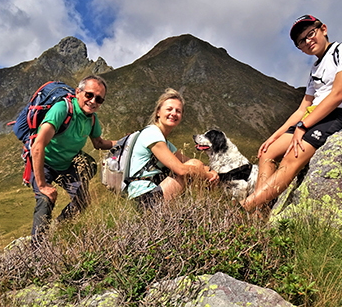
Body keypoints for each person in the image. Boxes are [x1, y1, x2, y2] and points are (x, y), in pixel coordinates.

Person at [240, 15, 342, 213]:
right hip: (313, 116)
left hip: (340, 114)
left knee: (291, 157)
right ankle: (261, 211)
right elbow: (302, 108)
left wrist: (303, 127)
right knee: (267, 153)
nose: (307, 41)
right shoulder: (315, 68)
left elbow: (338, 95)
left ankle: (245, 208)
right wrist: (274, 136)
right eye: (301, 41)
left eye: (310, 34)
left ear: (323, 29)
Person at [30, 75, 116, 239]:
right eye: (89, 95)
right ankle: (37, 251)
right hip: (44, 163)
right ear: (78, 92)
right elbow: (37, 147)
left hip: (68, 165)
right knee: (45, 200)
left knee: (82, 200)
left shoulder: (92, 118)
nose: (93, 101)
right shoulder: (62, 109)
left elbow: (98, 143)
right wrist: (42, 185)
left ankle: (56, 230)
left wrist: (124, 141)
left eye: (99, 99)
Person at [127, 88, 219, 208]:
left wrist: (210, 171)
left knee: (196, 164)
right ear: (158, 112)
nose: (174, 113)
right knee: (192, 168)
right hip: (144, 199)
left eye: (178, 111)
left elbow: (187, 160)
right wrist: (208, 176)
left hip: (154, 194)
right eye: (169, 109)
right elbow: (181, 169)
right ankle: (203, 209)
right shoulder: (152, 134)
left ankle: (203, 207)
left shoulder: (164, 142)